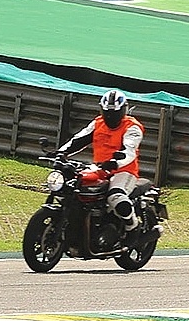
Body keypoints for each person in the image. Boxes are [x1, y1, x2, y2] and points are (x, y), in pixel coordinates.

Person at [57, 88, 145, 227]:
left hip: (124, 171)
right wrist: (60, 153)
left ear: (123, 111)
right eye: (107, 112)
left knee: (116, 197)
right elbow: (79, 139)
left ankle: (132, 226)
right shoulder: (98, 123)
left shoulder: (132, 127)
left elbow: (129, 150)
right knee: (75, 188)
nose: (110, 116)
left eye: (114, 113)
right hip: (99, 168)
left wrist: (116, 162)